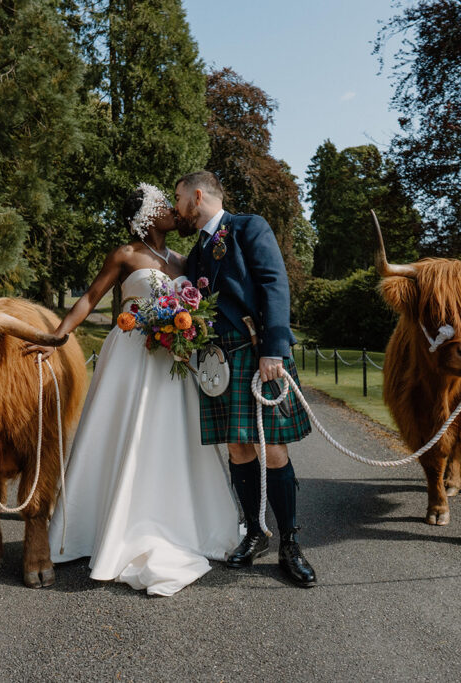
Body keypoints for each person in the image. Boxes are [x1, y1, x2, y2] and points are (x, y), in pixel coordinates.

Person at [28, 183, 239, 597]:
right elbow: (89, 298)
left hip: (173, 361)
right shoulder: (124, 255)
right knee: (124, 437)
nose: (172, 211)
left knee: (170, 441)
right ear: (144, 216)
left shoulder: (181, 259)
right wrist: (56, 337)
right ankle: (105, 526)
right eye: (163, 205)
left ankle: (174, 521)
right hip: (131, 356)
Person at [174, 170, 317, 588]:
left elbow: (274, 282)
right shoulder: (198, 249)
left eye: (179, 197)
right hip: (218, 361)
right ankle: (255, 533)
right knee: (238, 447)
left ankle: (290, 542)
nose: (177, 206)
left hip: (258, 354)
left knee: (272, 447)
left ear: (198, 196)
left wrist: (274, 348)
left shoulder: (248, 226)